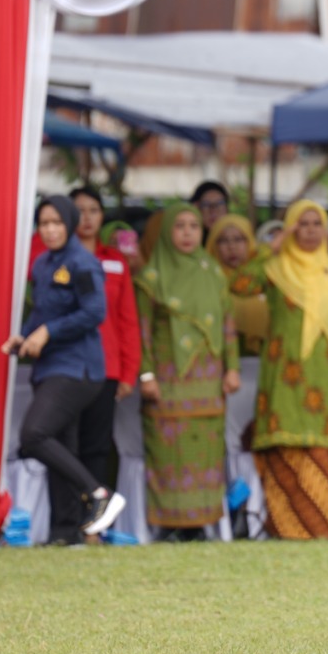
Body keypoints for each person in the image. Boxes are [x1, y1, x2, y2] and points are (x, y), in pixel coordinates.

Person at [12, 196, 128, 545]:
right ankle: (65, 532)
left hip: (78, 368)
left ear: (70, 224)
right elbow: (43, 311)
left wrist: (49, 332)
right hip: (50, 365)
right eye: (44, 224)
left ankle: (99, 494)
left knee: (34, 435)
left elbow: (95, 312)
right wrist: (26, 335)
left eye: (56, 223)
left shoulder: (83, 263)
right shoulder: (43, 264)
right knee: (60, 443)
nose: (49, 230)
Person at [251, 200, 328, 539]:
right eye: (303, 223)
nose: (312, 230)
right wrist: (268, 250)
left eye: (318, 223)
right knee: (285, 450)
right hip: (283, 377)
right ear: (290, 228)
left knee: (323, 452)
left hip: (326, 377)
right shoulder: (274, 268)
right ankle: (285, 528)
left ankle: (322, 527)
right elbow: (239, 284)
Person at [133, 202, 238, 541]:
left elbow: (228, 325)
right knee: (169, 452)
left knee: (205, 452)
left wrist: (232, 369)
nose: (188, 233)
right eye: (179, 226)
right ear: (166, 232)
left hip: (208, 383)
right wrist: (146, 375)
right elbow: (142, 331)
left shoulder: (213, 273)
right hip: (168, 383)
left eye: (194, 226)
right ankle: (170, 524)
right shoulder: (151, 279)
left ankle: (202, 523)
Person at [209, 214, 268, 358]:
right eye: (223, 241)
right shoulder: (207, 275)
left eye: (239, 239)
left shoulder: (265, 270)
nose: (232, 247)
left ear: (250, 241)